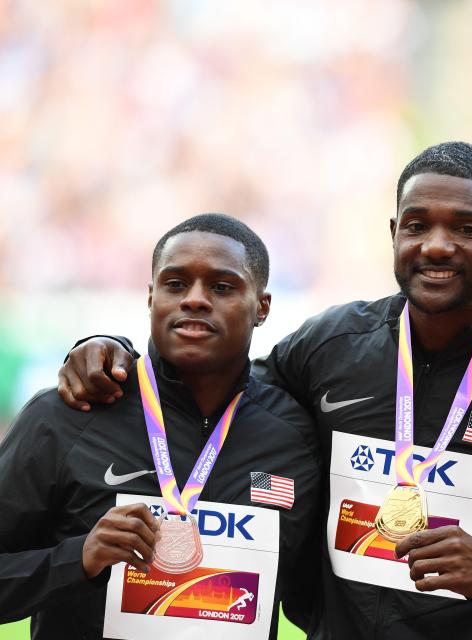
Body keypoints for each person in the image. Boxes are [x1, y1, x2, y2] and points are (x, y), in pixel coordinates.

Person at [56, 142, 472, 639]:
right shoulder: (331, 346)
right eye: (417, 225)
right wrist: (111, 349)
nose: (436, 246)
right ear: (394, 234)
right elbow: (211, 394)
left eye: (465, 228)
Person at [1, 214, 320, 638]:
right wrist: (78, 559)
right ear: (151, 297)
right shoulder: (69, 413)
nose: (194, 299)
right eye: (175, 284)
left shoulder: (293, 434)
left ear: (261, 307)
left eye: (222, 287)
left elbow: (320, 596)